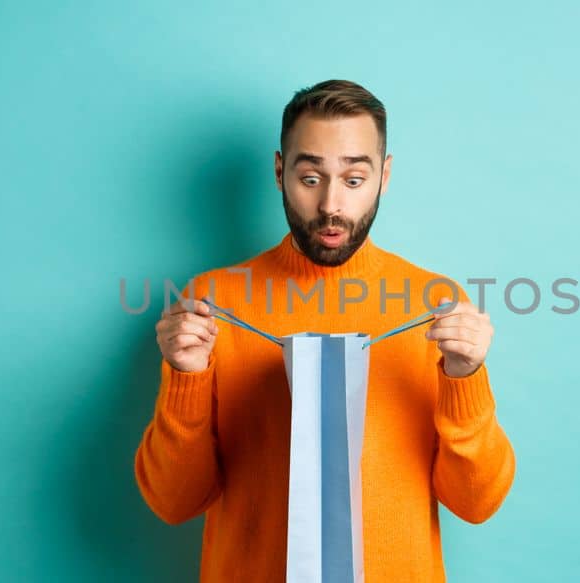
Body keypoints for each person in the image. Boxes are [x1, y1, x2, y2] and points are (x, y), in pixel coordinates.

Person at [134, 79, 515, 582]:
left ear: (385, 175)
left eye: (354, 179)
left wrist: (465, 377)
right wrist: (186, 378)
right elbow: (174, 502)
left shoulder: (434, 304)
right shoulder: (213, 303)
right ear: (279, 172)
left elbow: (476, 503)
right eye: (311, 178)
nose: (332, 205)